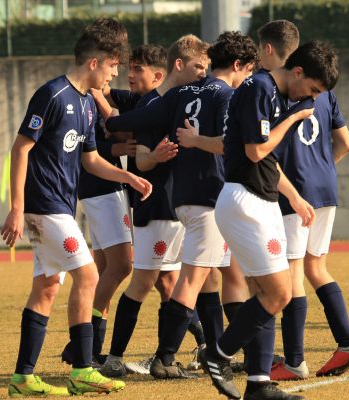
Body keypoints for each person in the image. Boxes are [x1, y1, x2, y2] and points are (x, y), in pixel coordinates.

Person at [0, 25, 152, 397]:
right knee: (88, 276)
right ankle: (83, 368)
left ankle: (23, 378)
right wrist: (17, 209)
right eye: (113, 66)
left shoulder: (86, 104)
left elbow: (91, 159)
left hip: (60, 206)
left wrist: (127, 178)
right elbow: (21, 149)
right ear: (95, 62)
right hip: (44, 207)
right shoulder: (52, 94)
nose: (115, 74)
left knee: (48, 287)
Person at [103, 31, 258, 380]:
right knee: (188, 280)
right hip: (207, 199)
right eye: (248, 71)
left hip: (184, 199)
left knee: (215, 277)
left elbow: (138, 120)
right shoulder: (230, 96)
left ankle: (221, 350)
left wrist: (110, 122)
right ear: (239, 66)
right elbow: (234, 145)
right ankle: (166, 357)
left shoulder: (180, 94)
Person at [199, 40, 339, 400]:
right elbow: (256, 150)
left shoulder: (272, 92)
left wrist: (294, 196)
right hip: (246, 201)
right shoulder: (261, 87)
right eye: (312, 89)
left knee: (265, 293)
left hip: (262, 200)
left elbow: (266, 161)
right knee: (279, 293)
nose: (311, 99)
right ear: (297, 72)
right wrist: (292, 119)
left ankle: (259, 383)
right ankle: (218, 352)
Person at [94, 35, 212, 378]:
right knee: (145, 281)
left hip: (185, 206)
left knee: (192, 280)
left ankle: (185, 353)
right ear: (179, 66)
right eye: (197, 67)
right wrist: (154, 156)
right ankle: (115, 356)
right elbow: (143, 161)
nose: (202, 73)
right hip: (157, 206)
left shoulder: (187, 99)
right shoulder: (153, 106)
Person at [258, 20, 349, 380]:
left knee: (293, 277)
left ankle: (294, 361)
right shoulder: (326, 94)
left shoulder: (277, 91)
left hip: (294, 195)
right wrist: (323, 169)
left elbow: (266, 149)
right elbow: (346, 143)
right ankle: (347, 343)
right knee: (315, 268)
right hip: (326, 191)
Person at [61, 16, 133, 369]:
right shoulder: (82, 93)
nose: (116, 71)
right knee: (122, 265)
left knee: (106, 265)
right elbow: (107, 141)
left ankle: (87, 345)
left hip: (106, 184)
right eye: (115, 61)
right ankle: (83, 346)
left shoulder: (94, 94)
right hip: (101, 186)